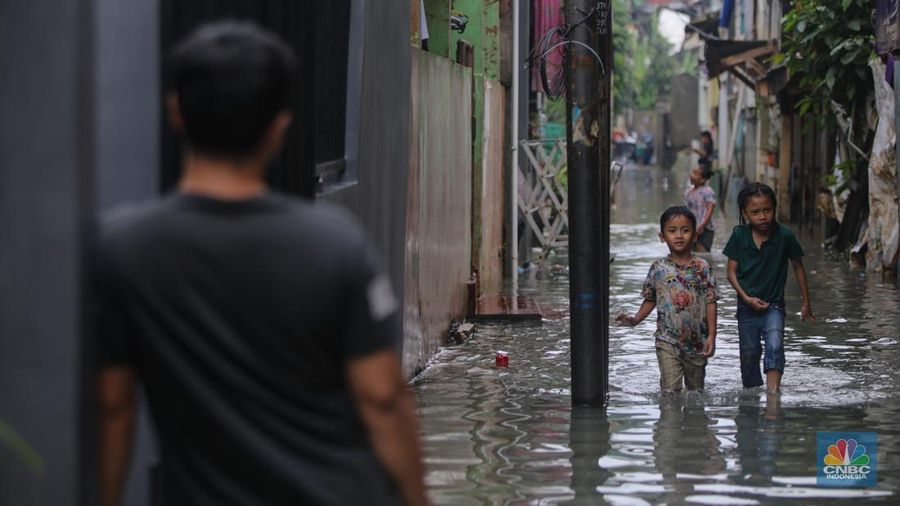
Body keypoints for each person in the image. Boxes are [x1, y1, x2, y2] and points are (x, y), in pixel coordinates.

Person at [94, 22, 428, 506]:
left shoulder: (125, 249)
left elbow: (112, 404)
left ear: (176, 114)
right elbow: (382, 397)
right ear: (278, 127)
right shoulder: (335, 244)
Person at [723, 182, 815, 393]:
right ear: (745, 213)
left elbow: (799, 268)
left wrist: (806, 302)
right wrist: (746, 298)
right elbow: (731, 273)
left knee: (775, 343)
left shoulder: (785, 236)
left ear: (774, 208)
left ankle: (773, 396)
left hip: (774, 305)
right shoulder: (739, 236)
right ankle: (752, 394)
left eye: (767, 210)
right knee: (750, 353)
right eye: (755, 212)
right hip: (747, 307)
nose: (762, 216)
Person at [617, 206, 720, 392]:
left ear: (695, 235)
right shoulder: (658, 268)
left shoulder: (703, 267)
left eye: (685, 230)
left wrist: (712, 336)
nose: (679, 235)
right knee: (670, 391)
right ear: (662, 236)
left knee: (695, 393)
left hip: (697, 342)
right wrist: (635, 319)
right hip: (667, 340)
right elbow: (650, 298)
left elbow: (711, 301)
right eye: (672, 231)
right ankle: (669, 420)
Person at [684, 165, 717, 252]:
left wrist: (702, 226)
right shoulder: (688, 192)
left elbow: (710, 210)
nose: (691, 175)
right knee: (691, 253)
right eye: (692, 172)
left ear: (702, 179)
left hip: (705, 228)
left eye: (695, 174)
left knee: (702, 254)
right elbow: (687, 210)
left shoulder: (708, 191)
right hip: (691, 228)